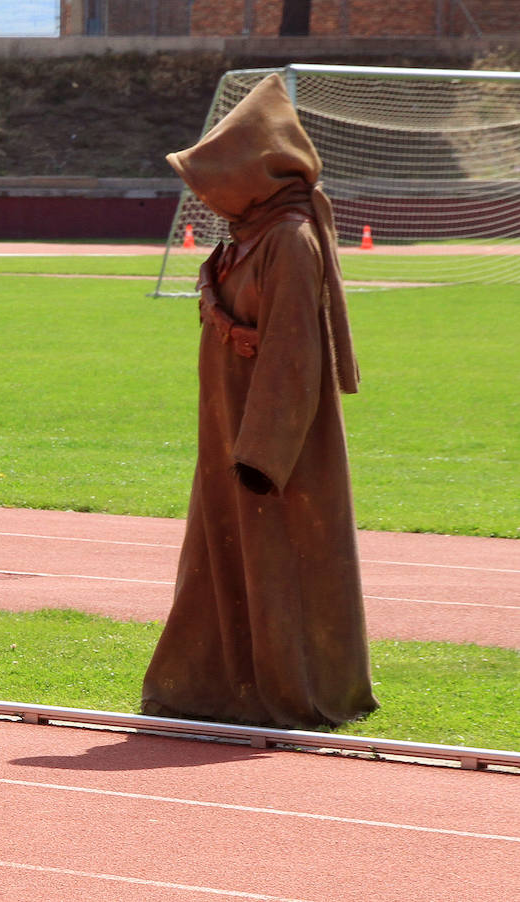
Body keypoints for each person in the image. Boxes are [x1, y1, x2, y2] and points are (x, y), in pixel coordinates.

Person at [140, 73, 379, 730]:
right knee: (221, 558)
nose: (204, 194)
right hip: (228, 430)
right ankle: (214, 684)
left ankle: (291, 687)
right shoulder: (246, 232)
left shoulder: (289, 239)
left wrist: (262, 454)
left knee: (278, 560)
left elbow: (294, 356)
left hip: (268, 449)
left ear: (252, 173)